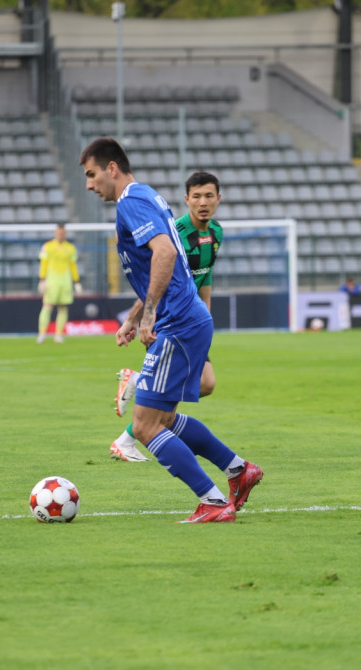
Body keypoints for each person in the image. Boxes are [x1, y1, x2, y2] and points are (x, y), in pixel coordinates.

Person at [79, 137, 263, 523]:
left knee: (145, 427)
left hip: (177, 322)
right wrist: (134, 317)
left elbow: (164, 255)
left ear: (112, 168)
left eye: (92, 174)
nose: (89, 184)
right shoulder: (144, 198)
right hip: (185, 318)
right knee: (161, 420)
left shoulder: (132, 201)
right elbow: (166, 266)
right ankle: (237, 470)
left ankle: (213, 502)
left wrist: (148, 318)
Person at [110, 170, 224, 463]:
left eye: (209, 196)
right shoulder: (178, 234)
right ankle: (126, 438)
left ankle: (132, 403)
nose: (203, 202)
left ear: (218, 199)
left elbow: (205, 276)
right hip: (168, 319)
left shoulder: (216, 233)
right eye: (196, 196)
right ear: (186, 200)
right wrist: (135, 319)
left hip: (192, 319)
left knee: (205, 384)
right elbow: (157, 280)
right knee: (164, 401)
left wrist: (205, 320)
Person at [36, 223, 82, 344]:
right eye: (58, 233)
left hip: (65, 282)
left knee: (63, 308)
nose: (60, 235)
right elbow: (44, 264)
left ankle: (58, 335)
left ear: (65, 234)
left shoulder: (70, 248)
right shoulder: (48, 246)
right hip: (52, 281)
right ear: (55, 233)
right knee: (47, 306)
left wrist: (76, 281)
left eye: (62, 233)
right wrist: (42, 279)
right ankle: (42, 333)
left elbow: (73, 266)